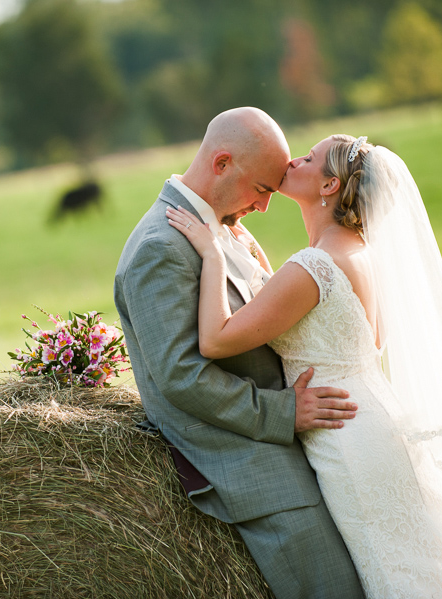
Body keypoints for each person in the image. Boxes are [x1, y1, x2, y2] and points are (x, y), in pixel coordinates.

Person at [166, 133, 442, 598]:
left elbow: (217, 339)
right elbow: (365, 336)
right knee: (430, 561)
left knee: (403, 572)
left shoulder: (314, 265)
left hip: (346, 438)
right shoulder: (355, 252)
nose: (294, 160)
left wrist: (213, 254)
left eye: (309, 158)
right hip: (375, 419)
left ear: (329, 186)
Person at [114, 108, 365, 599]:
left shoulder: (220, 227)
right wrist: (284, 411)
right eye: (264, 190)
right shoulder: (159, 248)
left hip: (296, 451)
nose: (266, 206)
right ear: (222, 163)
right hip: (253, 469)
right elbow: (181, 376)